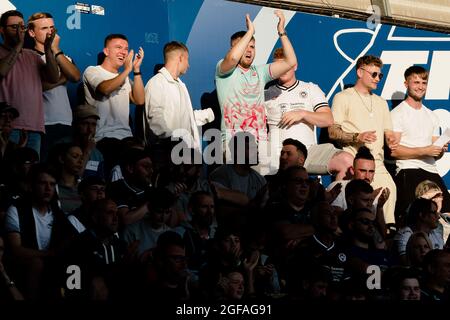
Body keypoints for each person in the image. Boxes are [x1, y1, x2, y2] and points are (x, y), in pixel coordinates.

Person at [215, 11, 297, 167]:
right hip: (234, 141)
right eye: (244, 46)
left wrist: (282, 32)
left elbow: (291, 61)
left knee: (261, 189)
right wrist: (250, 32)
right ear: (233, 48)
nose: (249, 50)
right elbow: (232, 58)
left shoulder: (260, 72)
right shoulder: (223, 69)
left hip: (260, 143)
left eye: (252, 46)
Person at [328, 55, 397, 225]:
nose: (377, 79)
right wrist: (357, 137)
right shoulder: (342, 97)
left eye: (380, 75)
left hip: (378, 165)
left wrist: (391, 139)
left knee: (389, 193)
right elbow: (332, 131)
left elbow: (388, 132)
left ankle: (385, 240)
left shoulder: (381, 102)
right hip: (354, 163)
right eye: (374, 74)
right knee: (352, 211)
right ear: (360, 72)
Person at [265, 47, 353, 178]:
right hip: (276, 153)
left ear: (295, 66)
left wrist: (302, 114)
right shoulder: (266, 94)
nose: (282, 69)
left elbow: (328, 119)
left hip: (308, 152)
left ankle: (336, 198)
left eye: (285, 65)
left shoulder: (310, 88)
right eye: (278, 66)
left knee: (346, 161)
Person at [390, 66, 450, 224]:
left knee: (446, 215)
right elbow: (394, 152)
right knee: (416, 219)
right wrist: (427, 150)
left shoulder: (431, 115)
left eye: (424, 82)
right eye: (416, 82)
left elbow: (435, 154)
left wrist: (440, 149)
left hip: (431, 170)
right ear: (406, 84)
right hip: (408, 170)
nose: (420, 86)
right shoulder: (397, 114)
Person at [0, 10, 59, 157]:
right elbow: (1, 71)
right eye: (14, 27)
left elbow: (53, 77)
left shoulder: (32, 55)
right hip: (6, 127)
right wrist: (19, 44)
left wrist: (48, 49)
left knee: (30, 175)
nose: (20, 31)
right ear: (2, 30)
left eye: (22, 27)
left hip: (34, 127)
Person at [83, 33, 144, 174]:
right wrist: (127, 70)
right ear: (106, 51)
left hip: (127, 138)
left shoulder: (124, 78)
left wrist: (136, 70)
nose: (123, 52)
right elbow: (105, 89)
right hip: (104, 138)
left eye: (126, 48)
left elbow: (139, 100)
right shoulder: (93, 71)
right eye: (118, 47)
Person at [27, 12, 81, 159]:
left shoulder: (64, 56)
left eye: (52, 27)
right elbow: (35, 88)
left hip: (65, 122)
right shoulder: (29, 57)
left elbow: (75, 76)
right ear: (32, 32)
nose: (50, 32)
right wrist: (62, 79)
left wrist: (55, 49)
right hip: (42, 123)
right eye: (44, 28)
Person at [144, 41, 214, 153]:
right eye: (187, 59)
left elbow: (187, 117)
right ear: (180, 58)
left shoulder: (180, 85)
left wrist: (210, 114)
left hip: (185, 155)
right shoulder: (156, 83)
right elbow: (156, 121)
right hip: (168, 155)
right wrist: (175, 141)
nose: (188, 65)